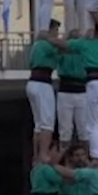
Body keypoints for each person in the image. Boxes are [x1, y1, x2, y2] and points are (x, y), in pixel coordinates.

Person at [41, 29, 98, 161]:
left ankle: (84, 158)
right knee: (74, 129)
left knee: (77, 129)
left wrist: (51, 38)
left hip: (75, 90)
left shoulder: (82, 47)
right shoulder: (81, 47)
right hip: (73, 89)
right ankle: (73, 159)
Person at [27, 19, 61, 164]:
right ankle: (43, 154)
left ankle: (36, 154)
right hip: (42, 82)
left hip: (33, 82)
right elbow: (62, 48)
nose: (57, 35)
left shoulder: (36, 45)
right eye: (56, 31)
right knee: (47, 122)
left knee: (38, 123)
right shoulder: (46, 45)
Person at [55, 29, 88, 150]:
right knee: (78, 128)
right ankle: (69, 156)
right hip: (73, 89)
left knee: (69, 129)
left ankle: (81, 156)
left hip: (73, 90)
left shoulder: (81, 52)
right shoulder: (66, 52)